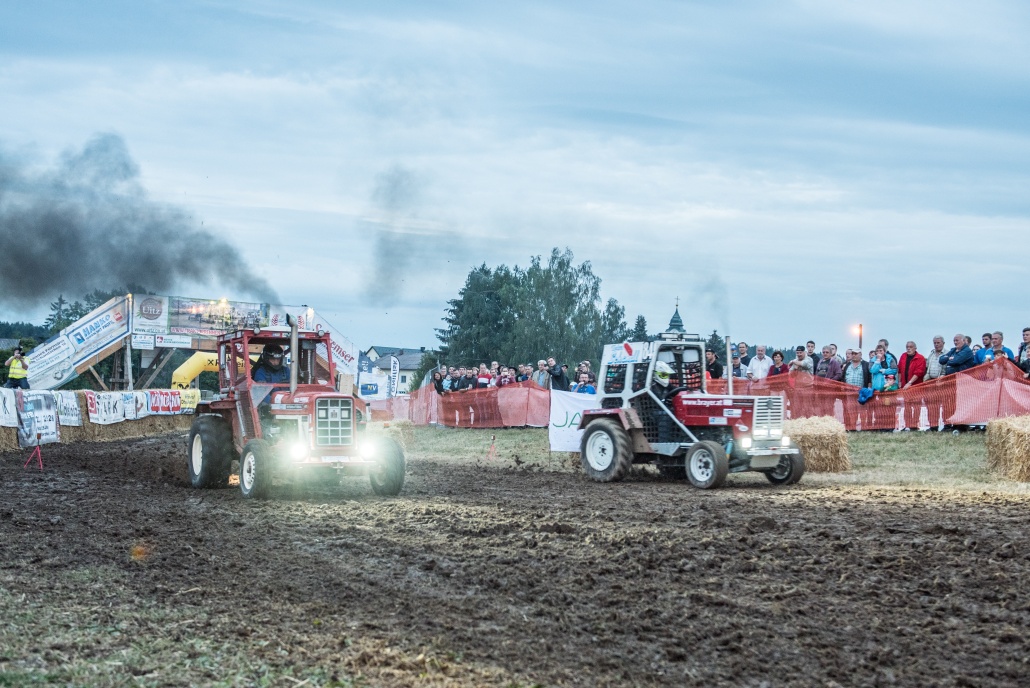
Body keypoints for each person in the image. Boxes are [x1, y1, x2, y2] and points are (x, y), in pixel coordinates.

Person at [897, 342, 927, 429]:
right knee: (907, 406)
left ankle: (914, 425)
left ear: (915, 348)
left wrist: (910, 382)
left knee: (916, 406)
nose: (908, 348)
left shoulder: (920, 358)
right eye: (907, 347)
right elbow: (899, 370)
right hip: (905, 387)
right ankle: (907, 424)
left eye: (910, 347)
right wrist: (899, 381)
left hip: (916, 387)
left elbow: (919, 372)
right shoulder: (903, 356)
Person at [842, 348, 872, 430]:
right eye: (853, 354)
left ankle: (863, 427)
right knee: (852, 411)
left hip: (861, 392)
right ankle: (853, 427)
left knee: (862, 411)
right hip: (849, 393)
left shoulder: (866, 364)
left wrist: (868, 389)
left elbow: (869, 378)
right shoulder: (847, 365)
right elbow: (843, 377)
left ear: (860, 354)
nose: (854, 355)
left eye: (856, 354)